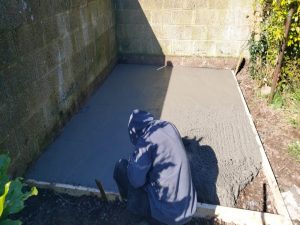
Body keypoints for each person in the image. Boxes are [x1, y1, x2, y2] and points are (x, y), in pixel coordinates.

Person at [113, 109, 197, 225]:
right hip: (188, 210)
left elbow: (136, 181)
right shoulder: (169, 126)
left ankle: (134, 211)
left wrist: (133, 159)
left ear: (136, 134)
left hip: (166, 217)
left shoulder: (146, 141)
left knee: (122, 167)